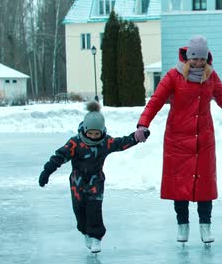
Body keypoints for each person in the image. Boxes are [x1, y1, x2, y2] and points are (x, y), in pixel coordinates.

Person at [134, 35, 222, 244]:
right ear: (187, 57)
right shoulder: (173, 76)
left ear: (207, 57)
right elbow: (155, 101)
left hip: (203, 141)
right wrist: (143, 124)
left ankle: (205, 227)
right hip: (177, 140)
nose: (198, 62)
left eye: (202, 59)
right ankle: (183, 226)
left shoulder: (211, 77)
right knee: (179, 187)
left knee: (204, 186)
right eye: (194, 58)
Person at [38, 101, 148, 253]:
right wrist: (47, 172)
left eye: (97, 133)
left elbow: (121, 143)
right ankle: (85, 232)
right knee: (80, 211)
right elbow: (59, 157)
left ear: (102, 131)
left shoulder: (105, 142)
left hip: (96, 182)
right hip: (77, 184)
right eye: (90, 133)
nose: (94, 136)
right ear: (85, 130)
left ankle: (96, 237)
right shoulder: (75, 143)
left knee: (94, 209)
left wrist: (136, 137)